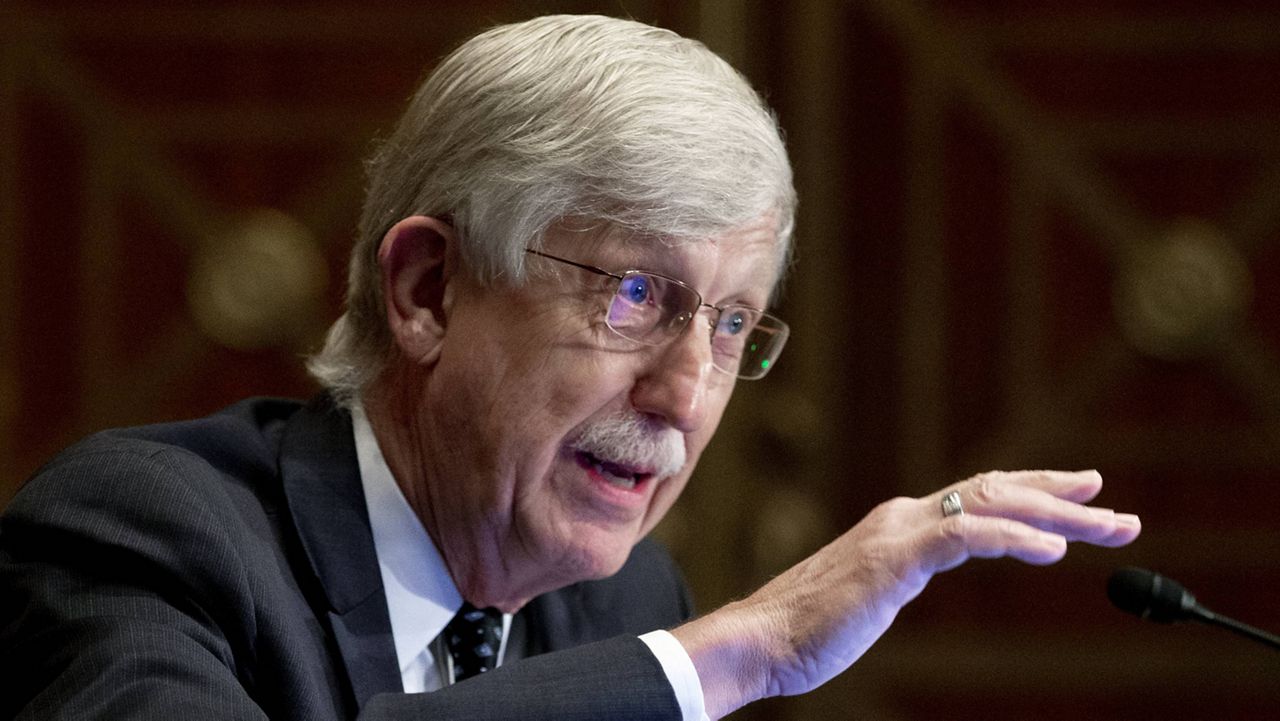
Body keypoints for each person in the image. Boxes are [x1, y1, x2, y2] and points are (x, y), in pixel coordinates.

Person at [0, 14, 1140, 721]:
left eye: (733, 324)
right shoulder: (142, 538)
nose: (686, 396)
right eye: (636, 295)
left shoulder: (621, 607)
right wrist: (741, 649)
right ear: (427, 292)